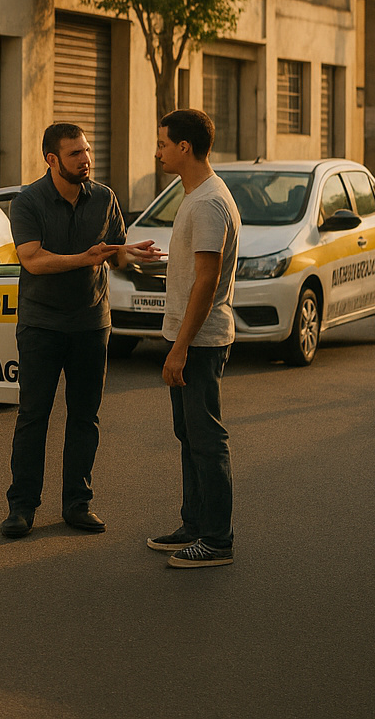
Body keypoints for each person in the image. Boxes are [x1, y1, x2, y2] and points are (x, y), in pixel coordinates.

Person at [1, 123, 161, 538]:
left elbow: (116, 258)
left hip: (92, 324)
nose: (86, 160)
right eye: (75, 154)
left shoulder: (105, 198)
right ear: (52, 160)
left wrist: (133, 254)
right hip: (41, 325)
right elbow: (33, 261)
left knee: (85, 417)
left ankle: (77, 504)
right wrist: (86, 257)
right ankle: (22, 508)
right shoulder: (28, 202)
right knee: (33, 417)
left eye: (87, 151)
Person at [147, 109, 240, 568]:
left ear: (184, 148)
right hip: (189, 337)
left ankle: (217, 540)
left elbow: (207, 280)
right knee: (189, 435)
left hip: (200, 341)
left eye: (163, 143)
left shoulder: (207, 202)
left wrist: (180, 349)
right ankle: (194, 524)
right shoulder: (196, 195)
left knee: (206, 438)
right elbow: (194, 269)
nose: (157, 150)